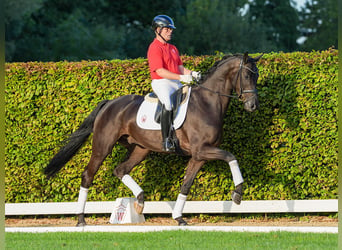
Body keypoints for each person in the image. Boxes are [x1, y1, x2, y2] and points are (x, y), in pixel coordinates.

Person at [147, 14, 200, 152]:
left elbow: (181, 68)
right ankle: (166, 140)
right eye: (167, 29)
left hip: (175, 81)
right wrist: (181, 78)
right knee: (168, 104)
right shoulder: (154, 48)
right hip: (162, 82)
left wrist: (193, 73)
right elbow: (160, 71)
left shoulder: (173, 48)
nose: (170, 31)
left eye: (171, 29)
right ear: (158, 30)